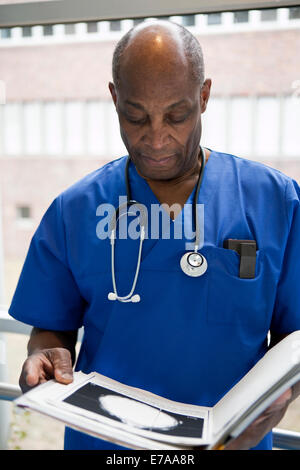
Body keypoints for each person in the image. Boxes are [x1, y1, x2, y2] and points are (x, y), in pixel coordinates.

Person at [9, 20, 300, 451]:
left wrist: (279, 401)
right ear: (114, 98)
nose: (157, 138)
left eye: (177, 115)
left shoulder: (277, 203)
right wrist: (44, 355)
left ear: (203, 97)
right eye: (135, 116)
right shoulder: (75, 210)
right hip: (106, 446)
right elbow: (51, 329)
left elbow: (293, 348)